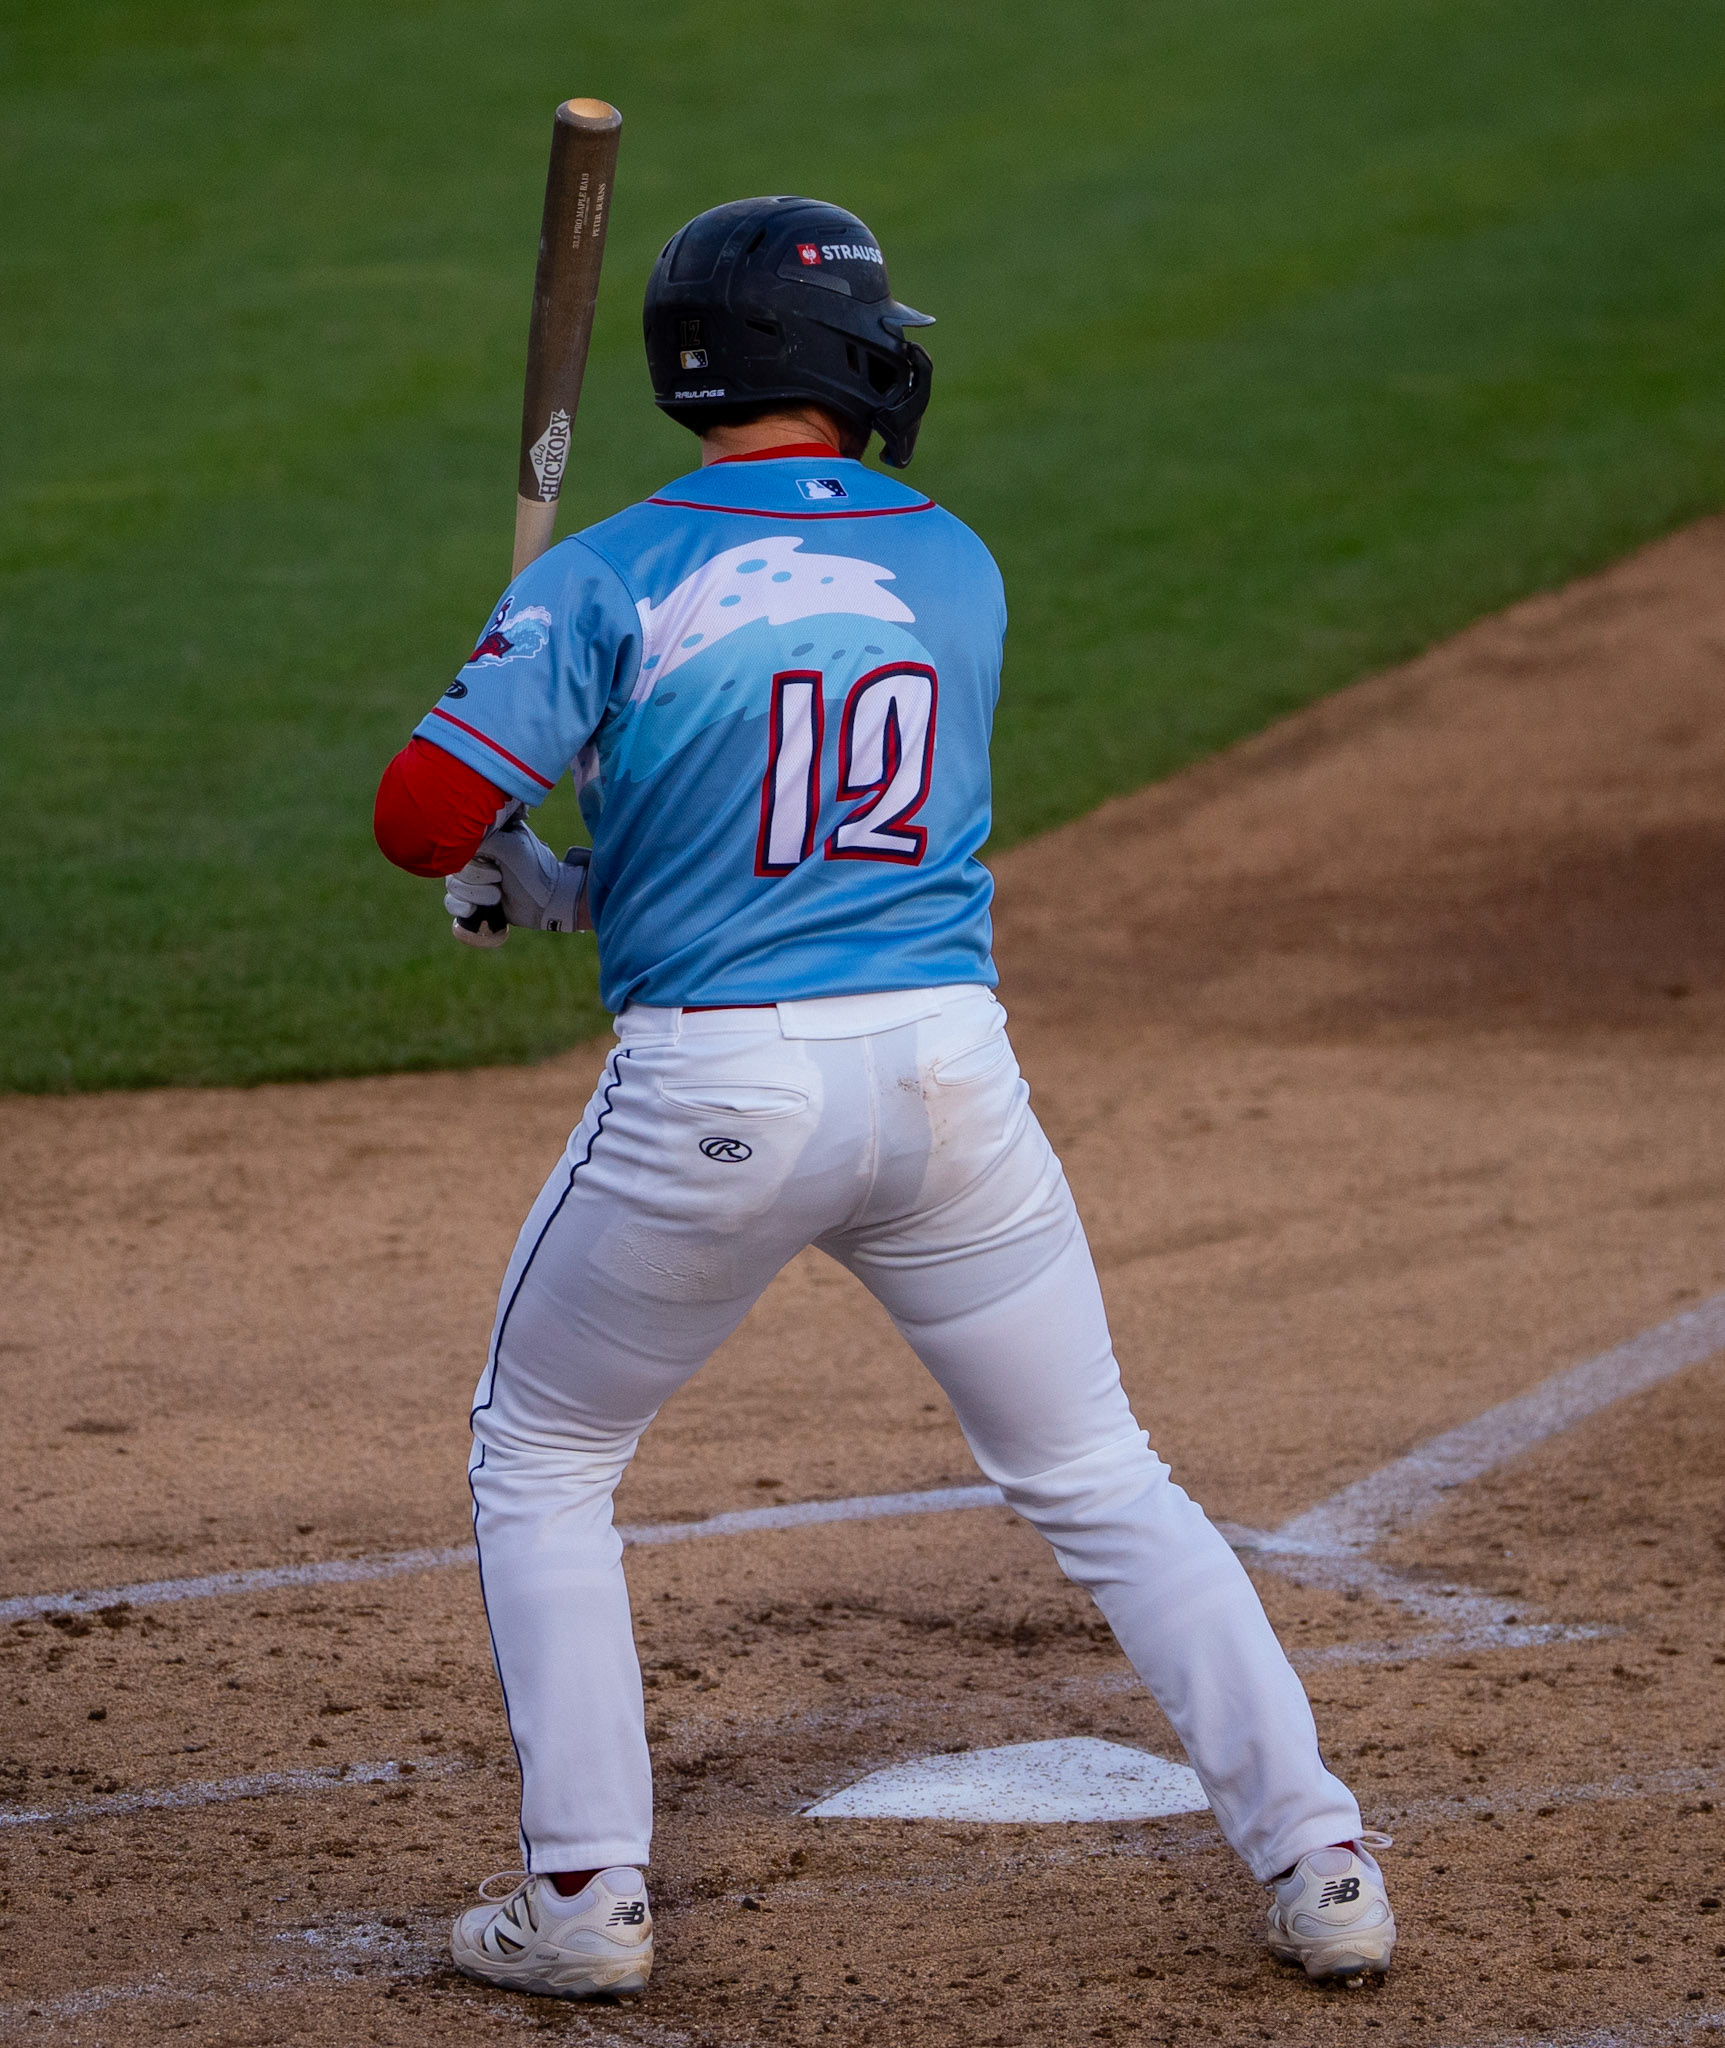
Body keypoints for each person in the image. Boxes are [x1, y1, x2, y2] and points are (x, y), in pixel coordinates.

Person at [372, 194, 1397, 2003]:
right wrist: (559, 880)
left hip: (715, 1096)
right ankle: (1320, 1857)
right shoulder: (952, 561)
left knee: (542, 1458)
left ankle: (584, 1897)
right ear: (829, 356)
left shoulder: (610, 573)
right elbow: (809, 846)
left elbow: (418, 816)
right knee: (1100, 1474)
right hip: (948, 1079)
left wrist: (504, 821)